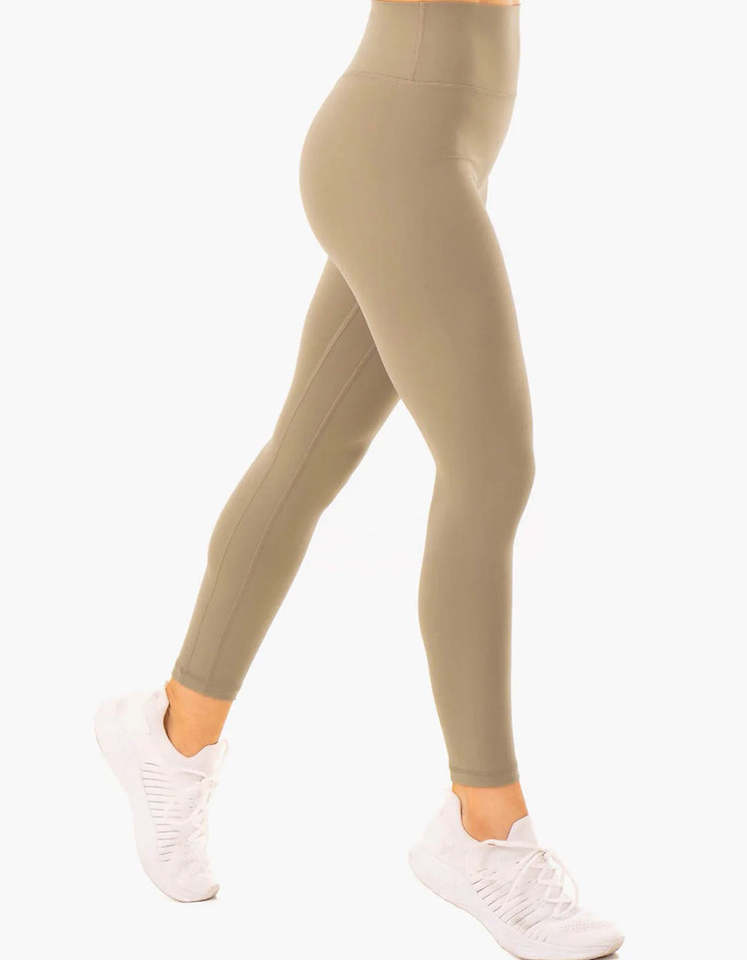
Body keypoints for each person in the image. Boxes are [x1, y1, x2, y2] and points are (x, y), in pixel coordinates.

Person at [95, 3, 624, 957]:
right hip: (399, 151)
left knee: (306, 457)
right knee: (489, 471)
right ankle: (484, 825)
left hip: (419, 148)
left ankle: (170, 734)